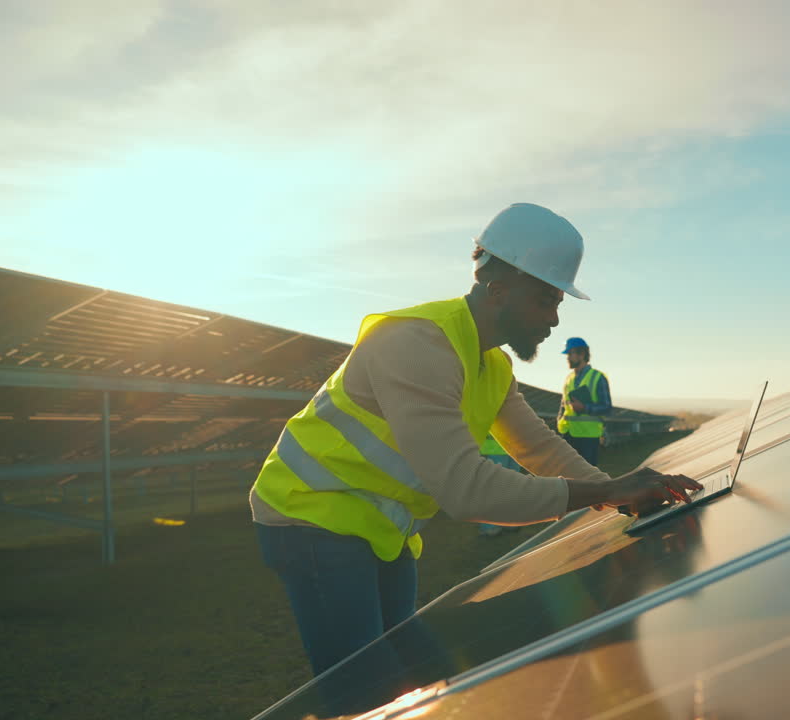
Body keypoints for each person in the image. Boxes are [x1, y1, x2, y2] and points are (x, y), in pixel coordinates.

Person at [248, 202, 700, 707]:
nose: (553, 319)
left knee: (409, 665)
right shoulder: (415, 343)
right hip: (311, 519)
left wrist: (619, 493)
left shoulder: (492, 364)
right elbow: (465, 490)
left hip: (382, 527)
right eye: (545, 300)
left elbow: (539, 447)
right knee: (363, 688)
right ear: (498, 288)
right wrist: (605, 491)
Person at [557, 337, 611, 466]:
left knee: (587, 477)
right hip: (568, 434)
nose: (567, 358)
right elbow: (563, 405)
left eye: (570, 354)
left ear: (581, 354)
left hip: (588, 437)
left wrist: (584, 408)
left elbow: (607, 407)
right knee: (570, 474)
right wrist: (559, 420)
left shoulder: (598, 377)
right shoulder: (568, 378)